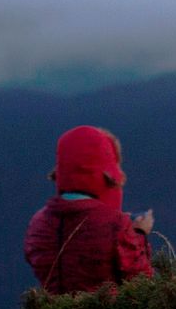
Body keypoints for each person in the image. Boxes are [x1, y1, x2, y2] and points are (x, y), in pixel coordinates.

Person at [24, 125, 154, 294]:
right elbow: (141, 284)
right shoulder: (117, 226)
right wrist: (137, 235)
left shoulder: (38, 223)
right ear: (108, 175)